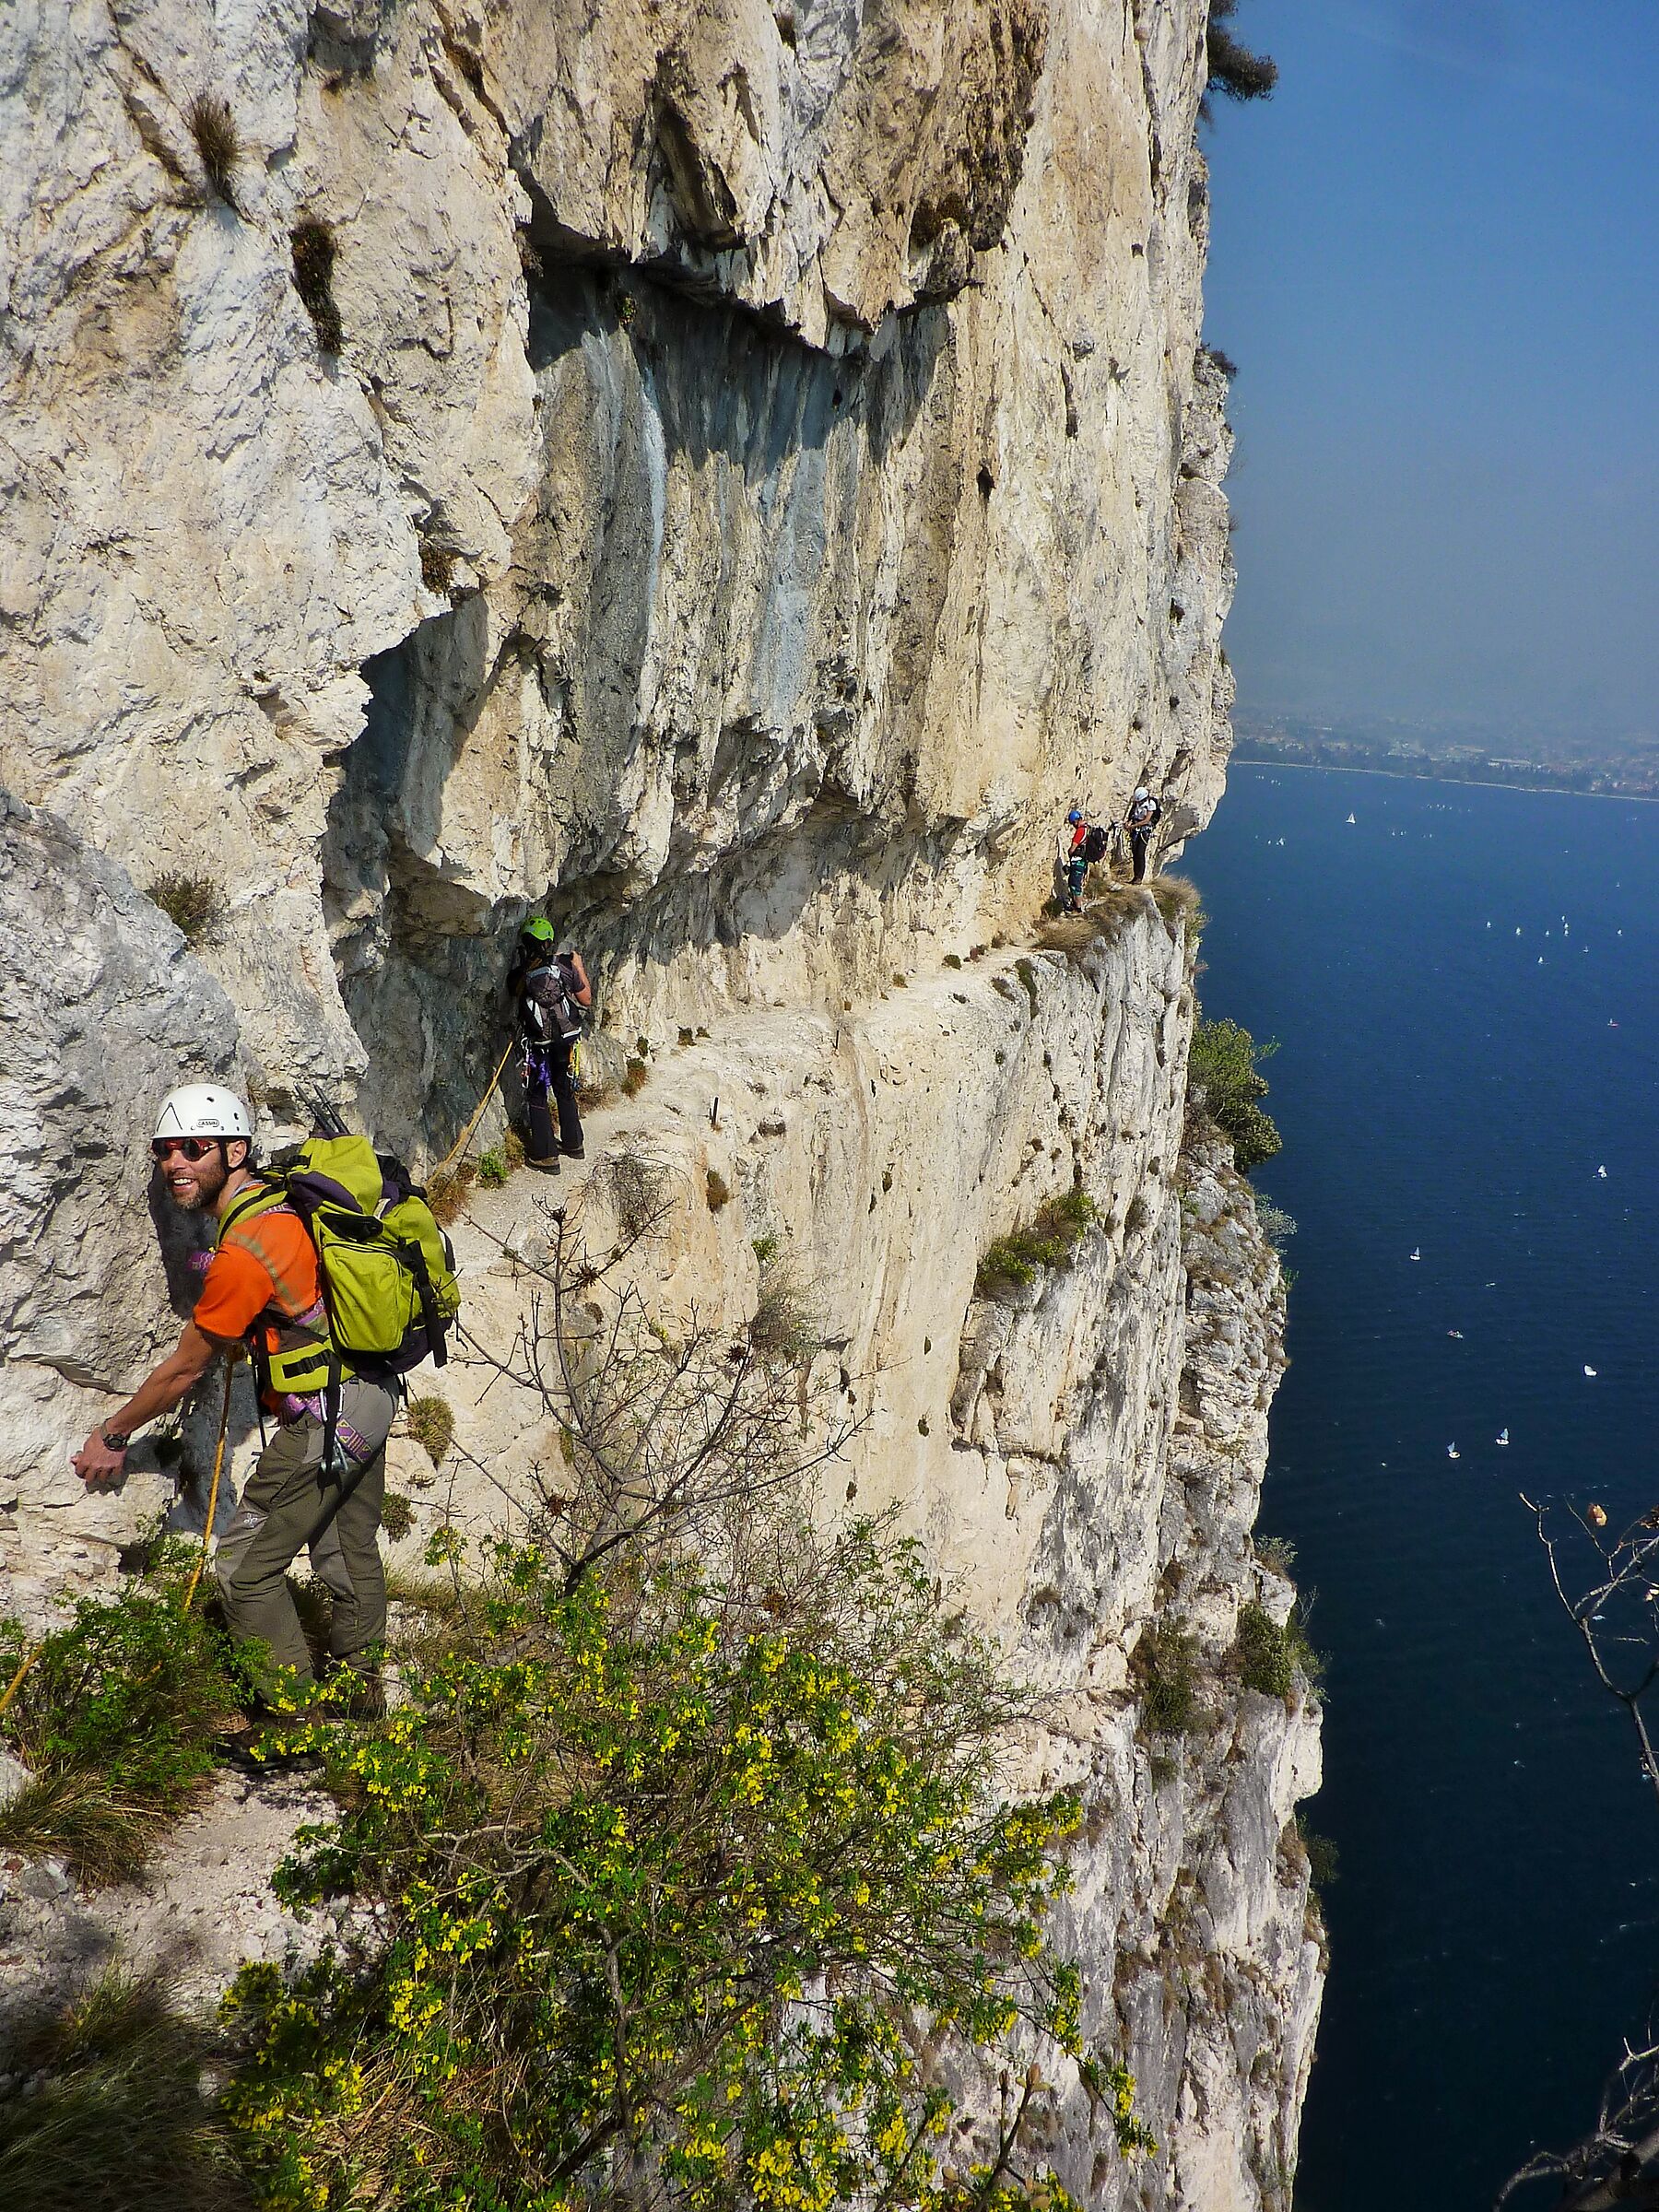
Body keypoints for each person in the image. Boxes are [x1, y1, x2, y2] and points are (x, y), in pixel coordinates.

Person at [71, 1086, 397, 1703]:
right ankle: (362, 1700)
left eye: (194, 1147)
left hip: (326, 1416)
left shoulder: (245, 1249)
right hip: (370, 1395)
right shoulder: (277, 1203)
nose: (176, 1163)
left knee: (245, 1568)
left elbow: (181, 1372)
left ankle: (290, 1720)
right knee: (345, 1550)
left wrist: (112, 1434)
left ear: (236, 1150)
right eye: (165, 1150)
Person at [508, 918, 592, 1170]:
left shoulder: (519, 976)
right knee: (564, 1088)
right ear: (548, 941)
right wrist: (579, 966)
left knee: (538, 1093)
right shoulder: (564, 965)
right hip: (565, 1040)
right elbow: (585, 999)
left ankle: (546, 1154)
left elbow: (517, 998)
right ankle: (573, 1143)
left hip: (539, 1044)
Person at [1124, 784, 1163, 883]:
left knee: (1140, 853)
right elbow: (1134, 814)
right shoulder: (1138, 803)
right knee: (1134, 852)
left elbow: (1146, 820)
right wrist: (1129, 821)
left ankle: (1139, 878)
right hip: (1136, 828)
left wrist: (1132, 826)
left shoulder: (1151, 804)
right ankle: (1135, 876)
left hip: (1144, 830)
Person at [1056, 807, 1089, 913]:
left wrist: (1070, 853)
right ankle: (1076, 905)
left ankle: (1078, 908)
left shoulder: (1080, 831)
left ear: (1076, 821)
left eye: (1073, 823)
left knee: (1075, 884)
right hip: (1083, 861)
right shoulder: (1087, 828)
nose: (1073, 825)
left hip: (1078, 860)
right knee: (1074, 882)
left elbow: (1073, 848)